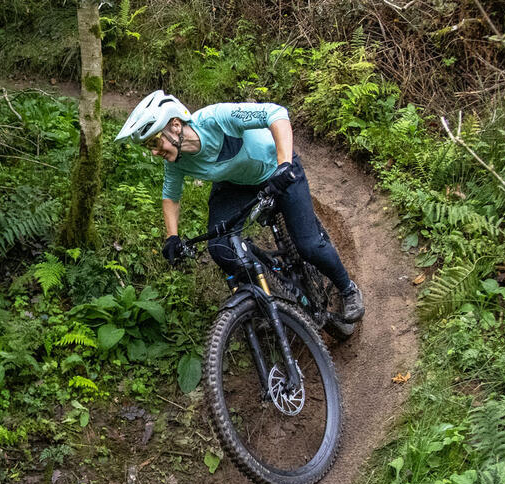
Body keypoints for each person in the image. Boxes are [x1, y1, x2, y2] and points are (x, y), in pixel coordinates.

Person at [115, 90, 364, 323]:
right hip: (236, 183)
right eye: (149, 147)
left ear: (176, 126)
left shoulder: (216, 119)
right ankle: (263, 305)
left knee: (309, 245)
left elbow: (276, 114)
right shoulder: (176, 162)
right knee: (220, 248)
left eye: (155, 143)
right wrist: (172, 237)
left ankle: (347, 289)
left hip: (276, 168)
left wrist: (284, 164)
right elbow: (171, 195)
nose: (154, 153)